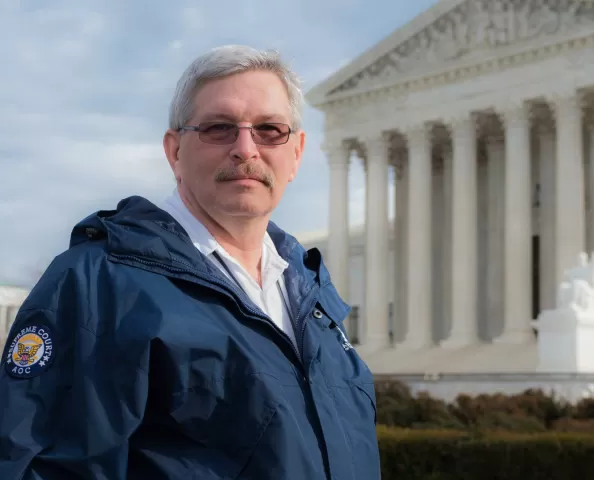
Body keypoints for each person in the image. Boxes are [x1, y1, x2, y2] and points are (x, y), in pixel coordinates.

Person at [0, 45, 381, 479]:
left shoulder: (310, 294)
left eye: (270, 130)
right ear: (174, 150)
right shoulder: (98, 284)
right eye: (219, 128)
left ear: (296, 153)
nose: (245, 149)